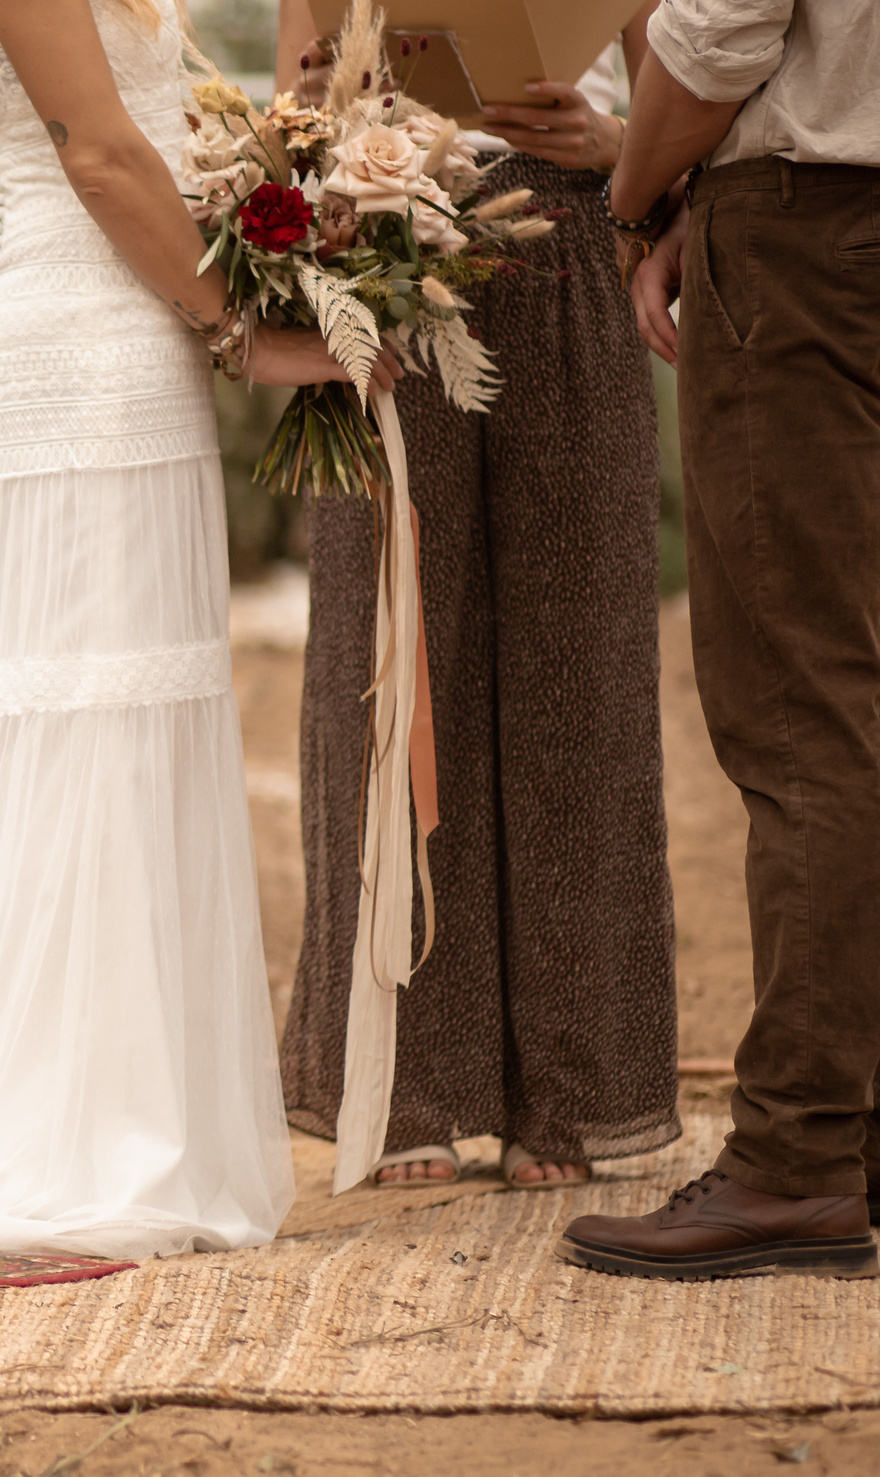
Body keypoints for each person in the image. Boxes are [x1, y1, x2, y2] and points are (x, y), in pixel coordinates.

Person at [0, 0, 382, 1257]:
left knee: (128, 721)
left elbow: (165, 127)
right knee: (79, 721)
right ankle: (61, 1120)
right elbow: (99, 152)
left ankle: (121, 1097)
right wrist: (242, 332)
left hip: (140, 321)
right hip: (88, 336)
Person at [273, 2, 683, 1192]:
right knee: (391, 661)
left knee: (580, 671)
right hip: (393, 274)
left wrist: (614, 148)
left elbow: (682, 93)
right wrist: (333, 158)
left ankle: (573, 1089)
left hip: (568, 254)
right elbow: (292, 101)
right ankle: (406, 1086)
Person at [560, 0, 880, 1280]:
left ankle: (798, 1159)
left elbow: (722, 27)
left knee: (804, 706)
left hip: (814, 230)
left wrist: (639, 194)